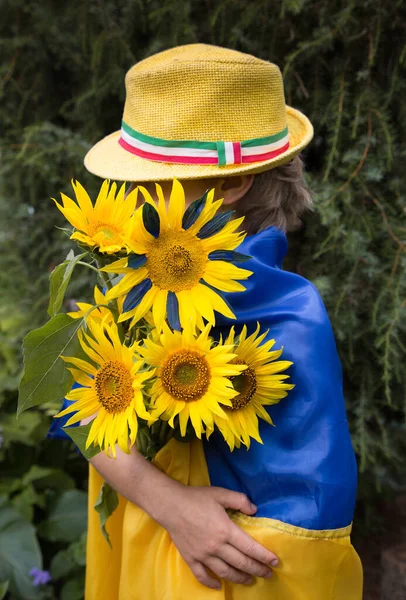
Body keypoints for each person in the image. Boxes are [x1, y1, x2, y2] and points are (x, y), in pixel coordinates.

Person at [51, 44, 363, 599]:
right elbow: (82, 407)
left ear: (228, 186)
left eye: (148, 178)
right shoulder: (146, 286)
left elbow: (304, 525)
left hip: (223, 573)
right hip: (173, 540)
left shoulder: (265, 306)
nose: (127, 194)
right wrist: (163, 497)